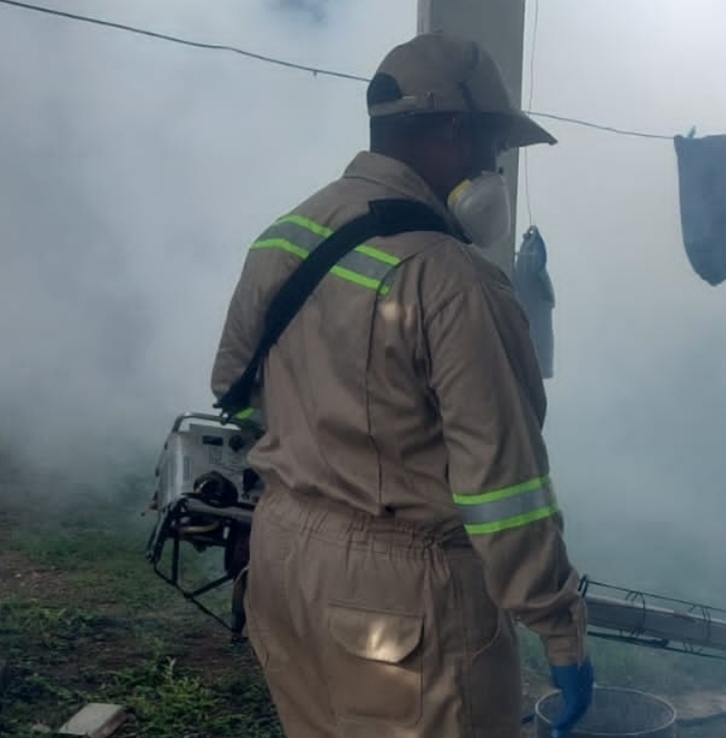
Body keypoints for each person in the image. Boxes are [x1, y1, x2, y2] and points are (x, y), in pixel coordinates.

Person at [209, 31, 593, 738]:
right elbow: (502, 486)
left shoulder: (285, 235)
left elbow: (231, 384)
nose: (495, 167)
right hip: (400, 603)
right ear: (454, 129)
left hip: (281, 561)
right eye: (492, 146)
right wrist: (559, 630)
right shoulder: (453, 281)